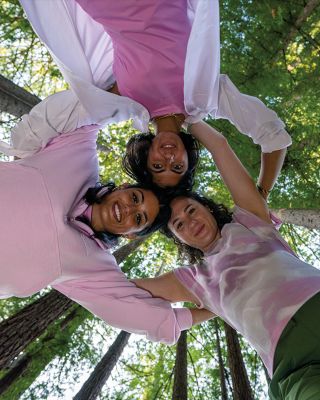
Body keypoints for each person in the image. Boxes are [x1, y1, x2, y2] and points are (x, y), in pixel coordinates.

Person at [0, 92, 213, 344]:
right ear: (123, 187)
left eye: (138, 218)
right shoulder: (78, 158)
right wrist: (148, 107)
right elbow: (90, 105)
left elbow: (142, 316)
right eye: (134, 198)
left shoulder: (93, 267)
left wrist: (217, 307)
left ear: (131, 234)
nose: (129, 209)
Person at [133, 121, 320, 398]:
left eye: (191, 210)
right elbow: (128, 290)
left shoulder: (248, 220)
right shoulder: (194, 280)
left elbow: (219, 146)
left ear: (207, 208)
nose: (189, 222)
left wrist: (181, 119)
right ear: (180, 240)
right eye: (179, 225)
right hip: (293, 362)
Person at [19, 0, 291, 190]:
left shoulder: (125, 103)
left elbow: (61, 115)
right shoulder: (204, 98)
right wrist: (261, 195)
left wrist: (23, 150)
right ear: (188, 159)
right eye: (177, 167)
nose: (168, 159)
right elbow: (273, 134)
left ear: (147, 156)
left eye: (158, 167)